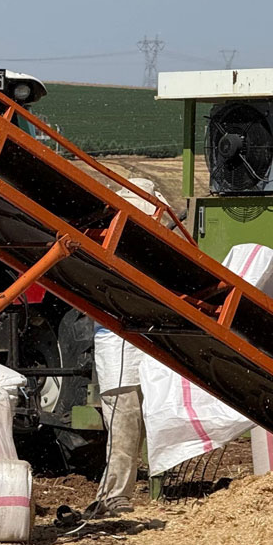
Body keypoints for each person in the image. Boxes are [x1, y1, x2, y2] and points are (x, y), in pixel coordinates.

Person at [85, 179, 174, 518]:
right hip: (120, 348)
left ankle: (158, 488)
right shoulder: (109, 249)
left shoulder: (154, 249)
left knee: (157, 420)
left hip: (152, 347)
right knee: (124, 428)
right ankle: (112, 495)